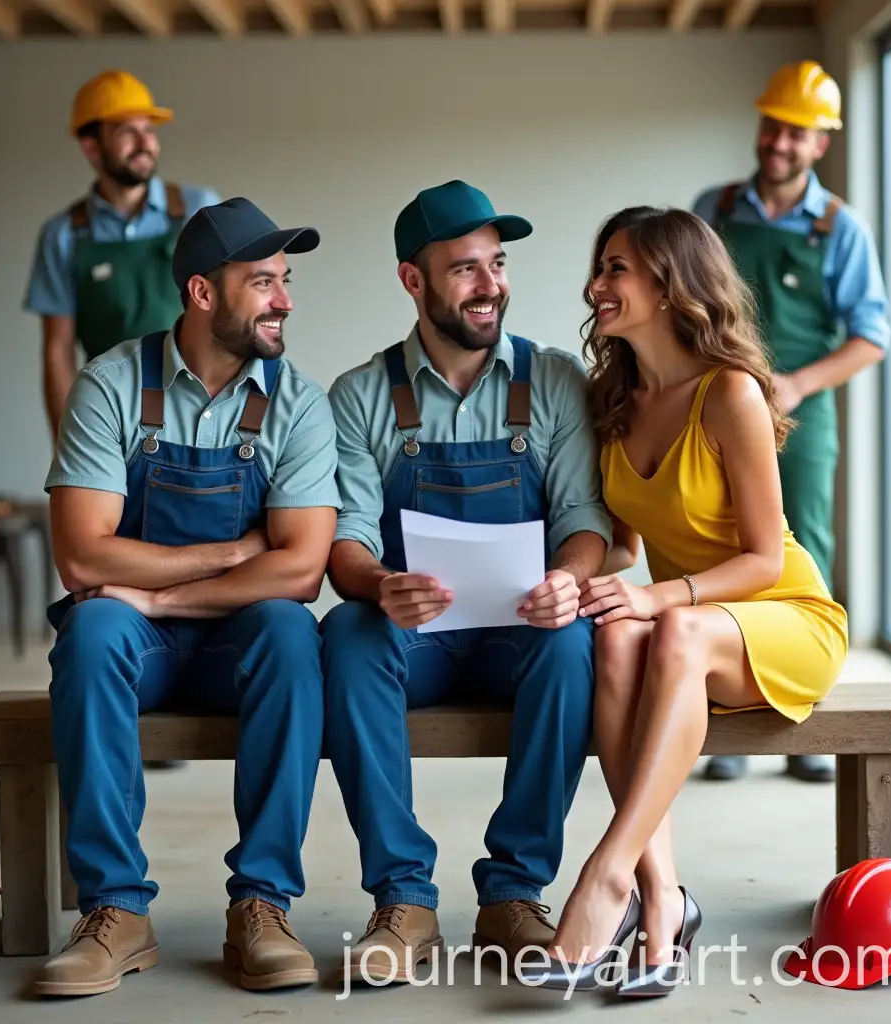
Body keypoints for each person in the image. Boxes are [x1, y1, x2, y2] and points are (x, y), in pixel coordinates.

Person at [517, 206, 848, 996]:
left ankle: (606, 876)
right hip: (689, 619)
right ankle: (664, 900)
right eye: (597, 269)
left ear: (670, 286)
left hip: (784, 615)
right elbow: (628, 541)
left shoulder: (730, 392)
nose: (596, 285)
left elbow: (766, 559)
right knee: (618, 634)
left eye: (616, 269)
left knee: (669, 634)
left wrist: (662, 596)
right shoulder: (616, 400)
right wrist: (579, 576)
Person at [33, 197, 341, 998]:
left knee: (288, 629)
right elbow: (82, 554)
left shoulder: (298, 402)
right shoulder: (109, 386)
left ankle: (264, 905)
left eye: (286, 280)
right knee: (94, 630)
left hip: (231, 637)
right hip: (138, 646)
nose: (285, 300)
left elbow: (301, 569)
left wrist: (159, 594)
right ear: (204, 294)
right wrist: (232, 551)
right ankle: (115, 912)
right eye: (264, 281)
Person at [319, 179, 612, 984]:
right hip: (415, 640)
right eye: (465, 270)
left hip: (519, 632)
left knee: (572, 640)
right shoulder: (361, 395)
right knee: (345, 634)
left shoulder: (553, 380)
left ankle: (513, 893)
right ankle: (403, 900)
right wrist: (379, 585)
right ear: (413, 281)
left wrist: (567, 577)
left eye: (498, 264)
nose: (490, 287)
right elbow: (342, 541)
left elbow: (586, 518)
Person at [692, 60, 889, 783]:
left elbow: (873, 334)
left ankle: (806, 716)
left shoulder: (840, 229)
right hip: (713, 411)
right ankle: (731, 723)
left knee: (801, 557)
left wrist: (796, 384)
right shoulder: (712, 210)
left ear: (819, 144)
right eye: (772, 125)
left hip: (799, 417)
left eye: (795, 133)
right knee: (724, 545)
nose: (778, 142)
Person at [24, 69, 222, 442]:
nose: (145, 143)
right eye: (126, 132)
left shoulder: (199, 209)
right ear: (91, 147)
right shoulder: (63, 235)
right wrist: (67, 445)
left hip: (199, 414)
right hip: (108, 417)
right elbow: (57, 351)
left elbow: (233, 310)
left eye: (149, 130)